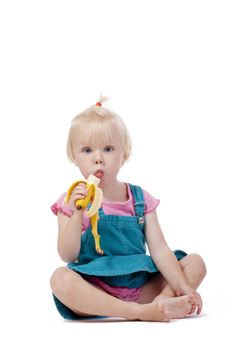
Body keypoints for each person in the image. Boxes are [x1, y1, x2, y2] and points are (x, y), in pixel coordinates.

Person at [50, 96, 207, 322]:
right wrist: (76, 214)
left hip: (141, 287)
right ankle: (143, 313)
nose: (98, 159)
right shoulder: (70, 201)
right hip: (97, 293)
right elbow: (67, 254)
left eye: (108, 148)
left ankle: (162, 301)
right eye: (87, 150)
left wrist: (182, 286)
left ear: (124, 154)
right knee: (60, 279)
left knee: (195, 263)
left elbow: (160, 250)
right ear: (74, 157)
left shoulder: (141, 199)